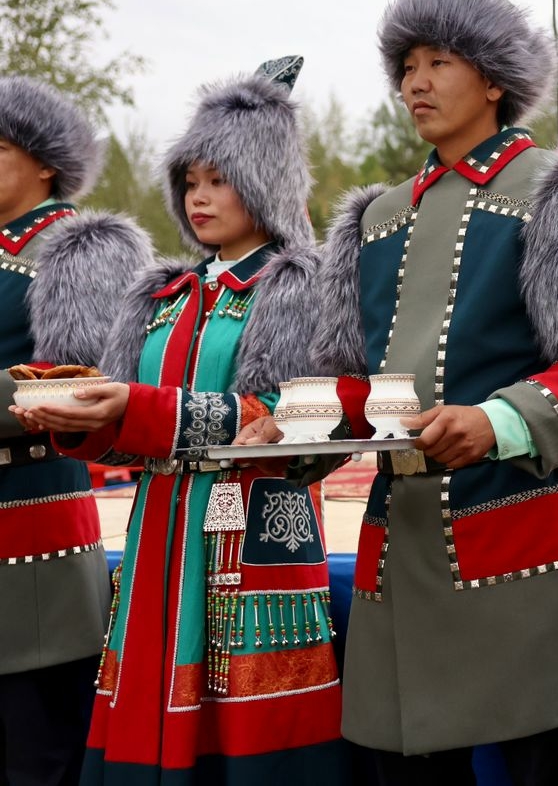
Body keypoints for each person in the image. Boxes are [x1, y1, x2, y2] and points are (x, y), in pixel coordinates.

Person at [308, 0, 558, 785]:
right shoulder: (374, 216)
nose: (415, 83)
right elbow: (364, 388)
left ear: (493, 78)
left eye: (438, 61)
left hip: (523, 537)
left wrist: (496, 421)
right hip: (401, 549)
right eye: (407, 66)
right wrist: (295, 419)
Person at [19, 58, 346, 783]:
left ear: (264, 180)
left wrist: (139, 410)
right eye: (190, 182)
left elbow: (287, 415)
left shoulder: (295, 283)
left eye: (218, 180)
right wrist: (76, 416)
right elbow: (123, 407)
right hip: (161, 522)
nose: (199, 199)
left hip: (249, 524)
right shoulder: (163, 291)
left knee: (244, 728)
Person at [0, 77, 151, 786]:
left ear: (44, 163)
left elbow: (80, 384)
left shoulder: (76, 248)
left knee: (39, 753)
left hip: (36, 547)